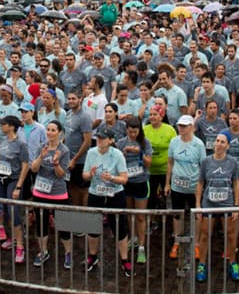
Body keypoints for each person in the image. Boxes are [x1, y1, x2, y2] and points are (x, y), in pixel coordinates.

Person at [83, 126, 132, 276]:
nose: (99, 140)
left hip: (114, 194)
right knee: (93, 227)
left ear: (111, 140)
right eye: (98, 137)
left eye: (103, 138)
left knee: (119, 227)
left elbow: (124, 179)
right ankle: (92, 255)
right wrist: (90, 174)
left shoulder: (117, 154)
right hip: (95, 193)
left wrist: (111, 178)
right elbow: (84, 175)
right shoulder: (91, 152)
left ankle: (124, 259)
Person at [194, 132, 239, 282]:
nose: (219, 144)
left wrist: (236, 205)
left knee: (231, 234)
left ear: (228, 146)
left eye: (222, 142)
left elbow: (236, 182)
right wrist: (198, 205)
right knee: (204, 235)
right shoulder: (206, 161)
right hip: (209, 204)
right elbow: (200, 183)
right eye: (217, 141)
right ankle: (202, 264)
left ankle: (233, 263)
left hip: (227, 204)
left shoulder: (233, 162)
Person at [29, 120, 72, 269]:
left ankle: (68, 252)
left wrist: (56, 163)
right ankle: (43, 251)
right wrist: (41, 157)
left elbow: (61, 174)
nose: (50, 133)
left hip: (58, 192)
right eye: (48, 129)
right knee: (41, 224)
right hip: (40, 191)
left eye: (53, 130)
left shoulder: (64, 150)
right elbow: (34, 169)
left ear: (59, 133)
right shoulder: (41, 147)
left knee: (63, 225)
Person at [166, 114, 206, 261]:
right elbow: (170, 163)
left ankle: (196, 243)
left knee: (197, 215)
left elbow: (203, 167)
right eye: (180, 126)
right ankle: (177, 241)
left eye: (184, 126)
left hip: (193, 186)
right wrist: (167, 183)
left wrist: (201, 187)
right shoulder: (174, 141)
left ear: (191, 127)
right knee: (177, 214)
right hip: (177, 186)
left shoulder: (199, 144)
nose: (181, 128)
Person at [0, 115, 31, 263]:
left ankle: (20, 246)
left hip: (13, 180)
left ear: (12, 127)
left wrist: (18, 186)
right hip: (1, 179)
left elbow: (25, 166)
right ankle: (12, 238)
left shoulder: (21, 144)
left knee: (14, 212)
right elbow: (0, 161)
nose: (1, 126)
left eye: (4, 124)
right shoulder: (2, 140)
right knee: (5, 210)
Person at [117, 116, 152, 265]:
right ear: (126, 130)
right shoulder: (121, 143)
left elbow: (149, 163)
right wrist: (123, 154)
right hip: (127, 183)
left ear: (139, 130)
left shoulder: (145, 142)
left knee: (140, 216)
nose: (132, 135)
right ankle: (133, 238)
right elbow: (116, 162)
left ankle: (142, 247)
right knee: (130, 214)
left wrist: (140, 153)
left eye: (135, 132)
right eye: (130, 132)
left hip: (141, 181)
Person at [144, 103, 176, 219]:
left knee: (167, 198)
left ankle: (168, 221)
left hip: (165, 171)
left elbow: (175, 148)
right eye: (150, 114)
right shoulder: (145, 129)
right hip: (150, 171)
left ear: (161, 116)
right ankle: (152, 220)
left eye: (155, 114)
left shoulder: (170, 130)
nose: (152, 117)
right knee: (151, 198)